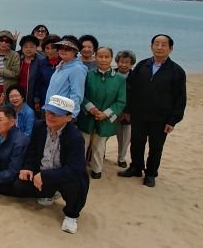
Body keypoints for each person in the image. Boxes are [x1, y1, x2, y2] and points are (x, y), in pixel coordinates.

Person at [13, 95, 89, 234]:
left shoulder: (75, 137)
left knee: (74, 186)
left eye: (57, 114)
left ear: (68, 117)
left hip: (62, 176)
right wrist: (27, 167)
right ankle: (50, 193)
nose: (50, 116)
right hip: (41, 172)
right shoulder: (39, 126)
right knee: (19, 185)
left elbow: (75, 169)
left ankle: (71, 215)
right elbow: (32, 151)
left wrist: (45, 176)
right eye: (48, 111)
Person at [118, 34, 186, 188]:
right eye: (156, 44)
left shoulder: (176, 71)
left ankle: (151, 173)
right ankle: (135, 168)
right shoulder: (143, 65)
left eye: (163, 45)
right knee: (136, 143)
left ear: (170, 49)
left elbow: (180, 98)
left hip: (161, 117)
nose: (159, 47)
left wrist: (173, 120)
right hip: (139, 114)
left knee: (155, 147)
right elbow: (130, 88)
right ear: (151, 47)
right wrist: (128, 109)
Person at [77, 47, 127, 179]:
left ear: (111, 59)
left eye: (106, 57)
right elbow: (81, 94)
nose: (103, 60)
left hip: (105, 119)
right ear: (95, 58)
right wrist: (90, 108)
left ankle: (97, 169)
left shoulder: (119, 79)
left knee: (99, 147)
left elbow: (120, 101)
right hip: (87, 117)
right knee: (82, 144)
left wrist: (106, 114)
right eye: (100, 56)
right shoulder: (88, 75)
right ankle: (79, 169)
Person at [0, 30, 20, 138]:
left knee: (9, 115)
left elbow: (15, 73)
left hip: (9, 91)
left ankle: (8, 138)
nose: (4, 43)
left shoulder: (14, 55)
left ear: (10, 43)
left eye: (7, 41)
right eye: (1, 40)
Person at [44, 37, 87, 119]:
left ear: (75, 51)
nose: (63, 50)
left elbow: (77, 94)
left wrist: (71, 115)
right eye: (61, 48)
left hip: (63, 114)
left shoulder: (77, 69)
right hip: (52, 110)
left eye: (67, 49)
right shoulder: (62, 65)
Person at [114, 49, 136, 168]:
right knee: (103, 136)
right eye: (121, 61)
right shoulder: (111, 74)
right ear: (117, 62)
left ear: (131, 64)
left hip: (127, 113)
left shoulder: (136, 77)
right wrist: (116, 111)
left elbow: (136, 96)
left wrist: (126, 111)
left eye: (127, 62)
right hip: (111, 111)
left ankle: (121, 158)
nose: (124, 64)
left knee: (125, 138)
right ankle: (101, 154)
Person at [34, 34, 61, 118]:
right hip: (44, 99)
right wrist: (37, 100)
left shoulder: (63, 63)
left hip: (59, 100)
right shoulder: (41, 63)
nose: (50, 51)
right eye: (47, 48)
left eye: (53, 48)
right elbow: (38, 82)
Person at [17, 35, 40, 108]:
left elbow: (39, 82)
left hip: (32, 95)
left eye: (32, 47)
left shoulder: (40, 62)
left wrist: (37, 100)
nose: (28, 49)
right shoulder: (18, 60)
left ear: (36, 48)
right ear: (22, 48)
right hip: (18, 94)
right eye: (26, 47)